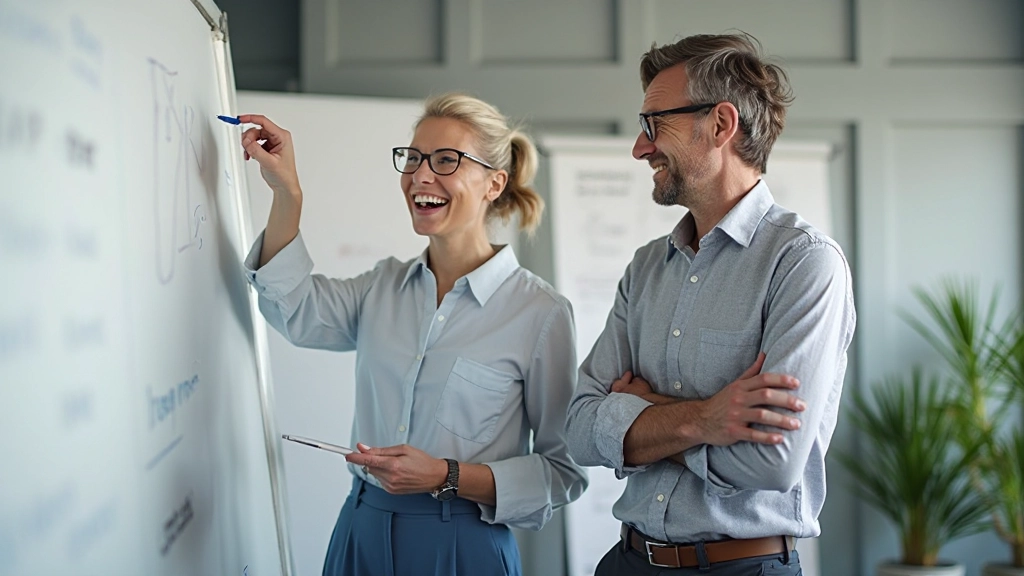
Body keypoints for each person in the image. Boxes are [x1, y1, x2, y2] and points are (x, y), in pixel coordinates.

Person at [239, 93, 588, 576]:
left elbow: (563, 472)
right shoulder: (382, 287)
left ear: (494, 183)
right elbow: (291, 307)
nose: (422, 176)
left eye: (446, 160)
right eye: (414, 158)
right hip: (360, 530)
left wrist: (447, 476)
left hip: (463, 546)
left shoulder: (540, 313)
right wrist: (287, 194)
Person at [565, 32, 856, 575]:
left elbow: (770, 461)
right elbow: (581, 429)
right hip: (626, 560)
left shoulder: (805, 264)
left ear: (721, 124)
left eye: (656, 124)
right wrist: (704, 419)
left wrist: (639, 414)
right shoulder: (646, 268)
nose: (640, 146)